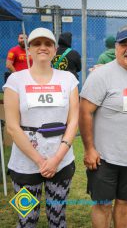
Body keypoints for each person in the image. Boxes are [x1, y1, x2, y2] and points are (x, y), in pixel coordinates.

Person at [79, 24, 127, 228]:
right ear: (116, 47)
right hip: (104, 157)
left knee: (125, 202)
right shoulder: (101, 75)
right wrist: (89, 149)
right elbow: (84, 112)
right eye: (124, 44)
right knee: (103, 204)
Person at [3, 27, 79, 227]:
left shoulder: (69, 80)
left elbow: (73, 121)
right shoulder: (15, 80)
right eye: (37, 43)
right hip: (24, 164)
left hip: (60, 162)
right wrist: (40, 161)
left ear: (55, 49)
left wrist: (55, 159)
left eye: (48, 44)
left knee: (58, 219)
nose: (42, 47)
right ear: (29, 50)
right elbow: (12, 127)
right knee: (26, 220)